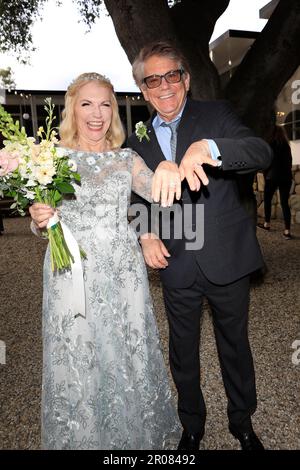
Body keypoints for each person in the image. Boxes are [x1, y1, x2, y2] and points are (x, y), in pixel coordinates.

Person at [128, 42, 273, 451]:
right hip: (175, 261)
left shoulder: (216, 115)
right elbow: (137, 197)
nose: (164, 87)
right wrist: (146, 233)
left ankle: (242, 422)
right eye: (153, 80)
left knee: (235, 346)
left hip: (226, 256)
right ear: (143, 90)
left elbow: (260, 152)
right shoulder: (138, 140)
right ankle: (191, 425)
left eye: (172, 75)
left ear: (186, 80)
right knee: (183, 352)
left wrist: (209, 148)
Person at [29, 72, 182, 450]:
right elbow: (42, 224)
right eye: (87, 104)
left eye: (105, 104)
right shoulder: (50, 158)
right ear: (72, 110)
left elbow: (164, 197)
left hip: (122, 274)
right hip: (70, 275)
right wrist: (38, 220)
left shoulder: (126, 159)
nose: (96, 114)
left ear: (113, 111)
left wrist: (168, 167)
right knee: (78, 356)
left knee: (126, 352)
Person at [258, 125, 293, 239]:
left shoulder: (270, 144)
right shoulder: (287, 146)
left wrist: (265, 173)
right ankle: (287, 231)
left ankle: (267, 224)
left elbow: (265, 162)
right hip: (286, 177)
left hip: (272, 176)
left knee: (267, 200)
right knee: (284, 203)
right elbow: (289, 162)